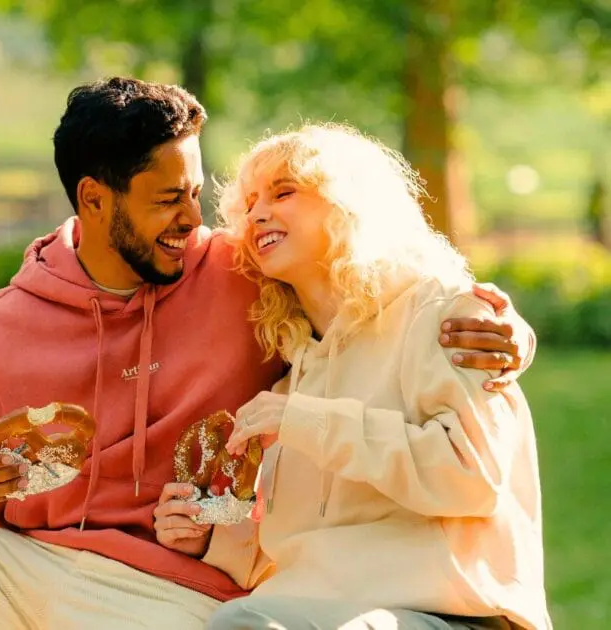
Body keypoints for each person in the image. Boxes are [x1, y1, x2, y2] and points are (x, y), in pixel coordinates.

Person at [0, 79, 536, 630]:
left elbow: (367, 286)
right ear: (94, 200)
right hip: (28, 569)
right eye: (167, 200)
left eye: (196, 193)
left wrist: (504, 332)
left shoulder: (245, 275)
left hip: (179, 600)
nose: (192, 219)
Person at [166, 123, 548, 629]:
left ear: (349, 203)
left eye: (284, 192)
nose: (257, 214)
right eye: (250, 203)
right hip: (312, 610)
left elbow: (474, 480)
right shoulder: (292, 375)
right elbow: (302, 547)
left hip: (452, 614)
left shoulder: (446, 316)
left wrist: (312, 423)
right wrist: (207, 532)